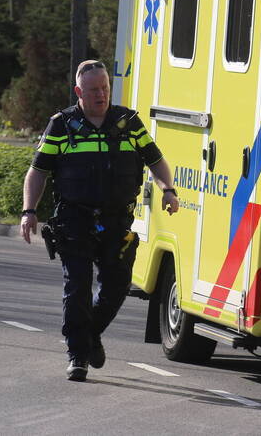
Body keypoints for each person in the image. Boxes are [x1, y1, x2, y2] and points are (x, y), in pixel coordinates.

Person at [20, 59, 180, 381]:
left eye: (105, 88)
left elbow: (156, 161)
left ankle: (90, 334)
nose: (101, 95)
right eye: (93, 90)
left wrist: (168, 190)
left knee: (117, 287)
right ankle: (78, 355)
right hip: (74, 220)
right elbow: (37, 172)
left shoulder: (129, 123)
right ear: (79, 92)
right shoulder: (62, 125)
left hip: (116, 221)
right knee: (77, 288)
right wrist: (29, 211)